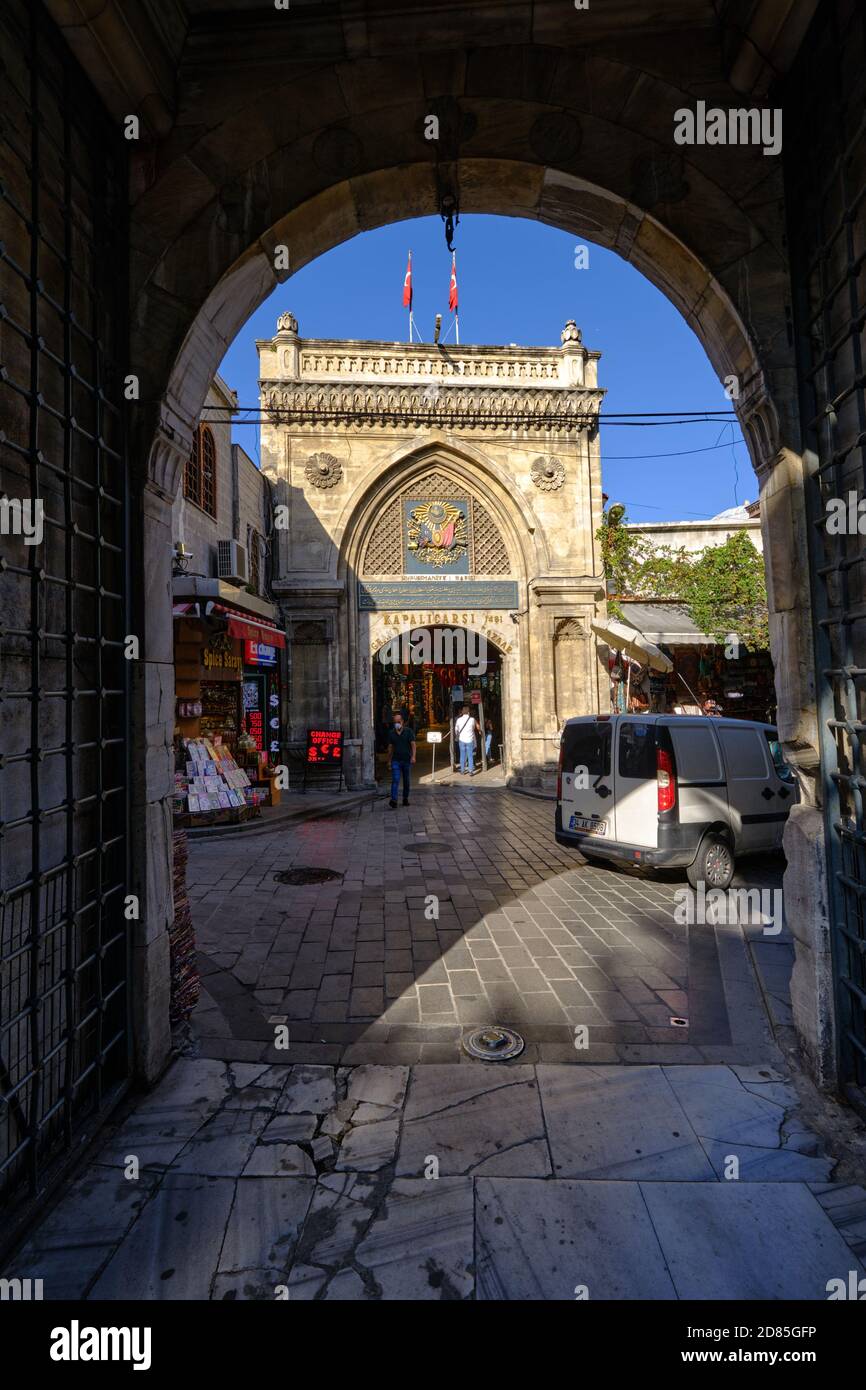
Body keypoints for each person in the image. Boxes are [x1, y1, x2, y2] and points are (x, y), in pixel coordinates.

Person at [386, 710, 416, 807]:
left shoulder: (408, 732)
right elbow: (390, 748)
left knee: (406, 781)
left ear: (402, 721)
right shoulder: (391, 733)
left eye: (398, 722)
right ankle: (394, 800)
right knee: (395, 779)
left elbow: (413, 745)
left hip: (407, 760)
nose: (397, 724)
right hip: (396, 760)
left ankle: (405, 798)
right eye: (395, 722)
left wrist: (413, 756)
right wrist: (389, 761)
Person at [455, 704, 480, 775]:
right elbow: (473, 728)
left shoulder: (458, 720)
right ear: (469, 712)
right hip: (470, 739)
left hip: (462, 740)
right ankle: (470, 771)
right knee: (470, 755)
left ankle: (462, 771)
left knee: (462, 755)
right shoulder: (472, 719)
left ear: (462, 712)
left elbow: (456, 730)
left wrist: (459, 735)